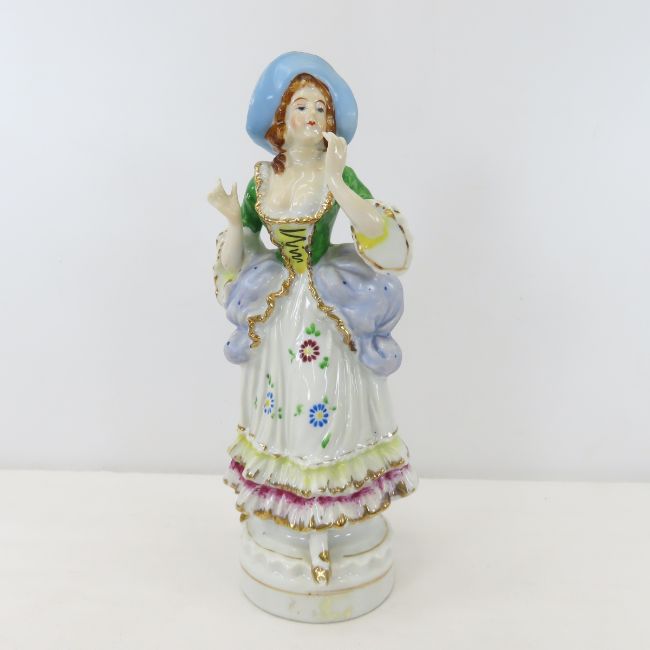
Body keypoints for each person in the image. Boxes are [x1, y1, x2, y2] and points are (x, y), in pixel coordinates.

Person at [209, 52, 416, 585]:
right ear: (281, 115)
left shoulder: (336, 174)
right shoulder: (260, 180)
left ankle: (328, 527)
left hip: (326, 304)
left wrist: (340, 182)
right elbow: (239, 252)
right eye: (301, 105)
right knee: (281, 409)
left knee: (323, 405)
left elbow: (381, 237)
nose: (312, 115)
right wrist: (232, 221)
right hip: (279, 307)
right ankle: (287, 518)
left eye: (321, 107)